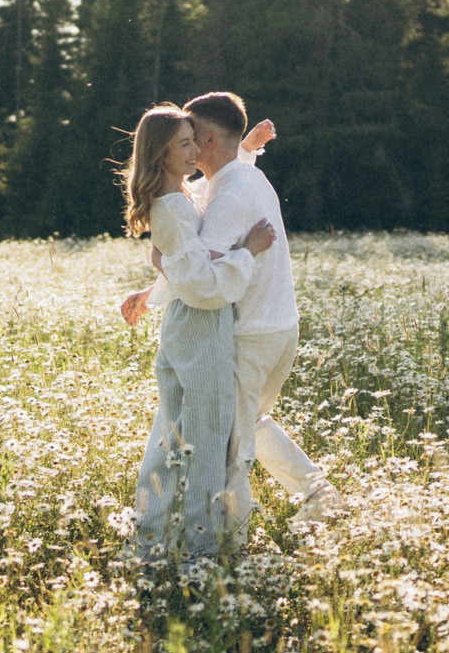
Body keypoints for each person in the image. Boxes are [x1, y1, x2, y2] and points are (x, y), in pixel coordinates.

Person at [122, 91, 335, 526]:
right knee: (250, 420)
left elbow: (201, 274)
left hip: (250, 335)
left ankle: (226, 546)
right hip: (280, 327)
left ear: (210, 143)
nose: (187, 146)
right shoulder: (240, 176)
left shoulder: (228, 198)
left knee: (228, 446)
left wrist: (161, 267)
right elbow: (203, 196)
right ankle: (317, 493)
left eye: (191, 138)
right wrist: (248, 149)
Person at [117, 104, 277, 558]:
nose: (196, 151)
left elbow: (212, 189)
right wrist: (247, 250)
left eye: (195, 140)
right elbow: (205, 289)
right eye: (184, 144)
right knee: (205, 440)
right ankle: (201, 551)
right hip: (201, 325)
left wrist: (243, 151)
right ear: (161, 155)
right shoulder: (173, 210)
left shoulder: (179, 195)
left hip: (186, 325)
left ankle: (150, 536)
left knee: (172, 433)